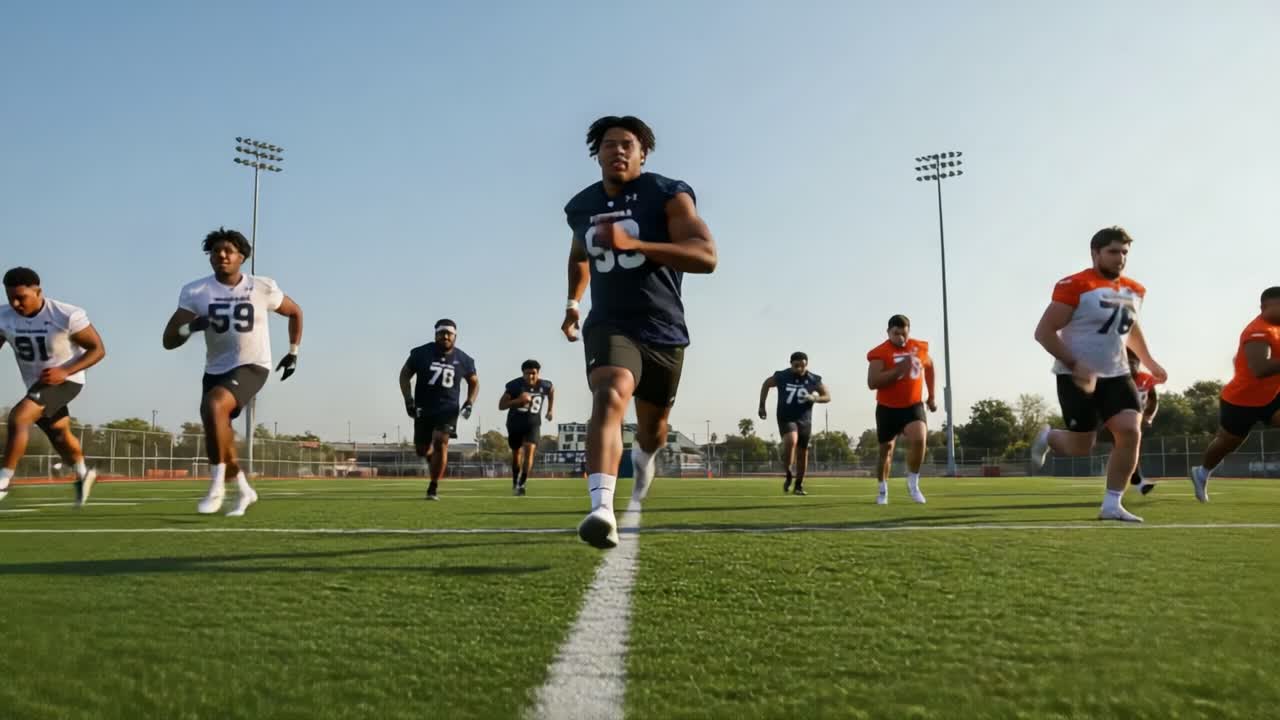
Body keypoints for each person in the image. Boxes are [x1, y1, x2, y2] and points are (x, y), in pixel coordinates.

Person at [560, 115, 718, 548]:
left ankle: (643, 459)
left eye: (628, 143)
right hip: (610, 323)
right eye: (609, 144)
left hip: (663, 328)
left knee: (654, 430)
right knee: (609, 393)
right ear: (597, 154)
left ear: (643, 152)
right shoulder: (581, 206)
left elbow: (705, 256)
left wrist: (639, 245)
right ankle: (601, 508)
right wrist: (573, 304)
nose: (618, 150)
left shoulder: (667, 194)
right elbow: (580, 254)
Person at [162, 228, 304, 516]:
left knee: (214, 405)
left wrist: (293, 353)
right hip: (215, 369)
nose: (222, 255)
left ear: (242, 256)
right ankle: (243, 488)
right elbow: (169, 339)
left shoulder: (262, 287)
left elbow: (295, 312)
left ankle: (216, 486)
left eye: (228, 250)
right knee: (218, 426)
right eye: (215, 251)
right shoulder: (196, 291)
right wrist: (192, 327)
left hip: (253, 365)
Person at [1031, 226, 1166, 522]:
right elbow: (1044, 332)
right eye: (1113, 252)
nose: (1120, 258)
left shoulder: (1135, 289)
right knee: (1081, 446)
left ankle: (1112, 503)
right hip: (1075, 375)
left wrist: (1149, 361)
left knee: (1131, 430)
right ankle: (1049, 437)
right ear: (1095, 253)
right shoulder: (1074, 284)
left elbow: (1129, 329)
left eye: (1124, 253)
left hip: (1117, 374)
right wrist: (1075, 363)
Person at [0, 267, 106, 507]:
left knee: (19, 418)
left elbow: (98, 349)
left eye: (22, 298)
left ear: (39, 292)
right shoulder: (3, 317)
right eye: (10, 298)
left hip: (67, 379)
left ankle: (3, 481)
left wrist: (65, 371)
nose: (16, 304)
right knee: (59, 433)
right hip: (37, 383)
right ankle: (83, 474)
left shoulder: (65, 314)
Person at [1186, 286, 1280, 502]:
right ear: (1266, 307)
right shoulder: (1258, 331)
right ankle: (1201, 472)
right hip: (1241, 401)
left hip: (1272, 396)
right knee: (1227, 444)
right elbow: (1260, 368)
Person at [399, 319, 478, 500]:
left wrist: (469, 402)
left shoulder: (464, 359)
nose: (445, 336)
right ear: (435, 334)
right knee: (421, 449)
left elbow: (474, 382)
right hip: (423, 406)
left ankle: (433, 487)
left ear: (455, 336)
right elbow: (404, 375)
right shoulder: (421, 353)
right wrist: (408, 400)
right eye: (442, 333)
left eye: (449, 333)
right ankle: (432, 460)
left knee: (441, 441)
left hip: (448, 409)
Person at [865, 315, 934, 505]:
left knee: (920, 438)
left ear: (908, 331)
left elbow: (929, 366)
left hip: (913, 405)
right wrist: (898, 370)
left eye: (904, 333)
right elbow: (872, 382)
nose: (900, 338)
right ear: (888, 332)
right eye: (896, 334)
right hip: (888, 408)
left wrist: (932, 395)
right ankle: (882, 489)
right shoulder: (880, 352)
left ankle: (913, 484)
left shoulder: (918, 348)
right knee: (885, 450)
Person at [757, 352, 830, 495]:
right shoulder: (782, 376)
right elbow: (766, 384)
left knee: (803, 452)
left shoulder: (813, 379)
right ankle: (789, 471)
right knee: (791, 440)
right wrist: (761, 405)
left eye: (803, 366)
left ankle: (798, 485)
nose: (800, 369)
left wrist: (814, 398)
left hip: (804, 419)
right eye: (797, 366)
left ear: (806, 364)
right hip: (786, 417)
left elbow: (827, 396)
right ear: (791, 364)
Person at [498, 359, 554, 495]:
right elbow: (501, 406)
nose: (531, 377)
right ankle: (515, 480)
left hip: (533, 424)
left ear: (538, 373)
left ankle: (522, 483)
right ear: (523, 373)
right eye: (528, 373)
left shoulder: (545, 385)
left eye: (534, 373)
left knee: (530, 450)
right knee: (517, 453)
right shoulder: (514, 386)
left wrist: (550, 410)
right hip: (515, 423)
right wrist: (518, 401)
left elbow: (551, 391)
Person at [1126, 349, 1161, 495]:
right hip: (1119, 419)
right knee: (1128, 449)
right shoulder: (1116, 379)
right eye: (1128, 361)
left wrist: (1149, 416)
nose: (1131, 365)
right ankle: (1136, 482)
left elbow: (1153, 399)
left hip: (1137, 420)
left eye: (1134, 362)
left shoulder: (1145, 378)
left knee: (1131, 450)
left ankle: (1137, 482)